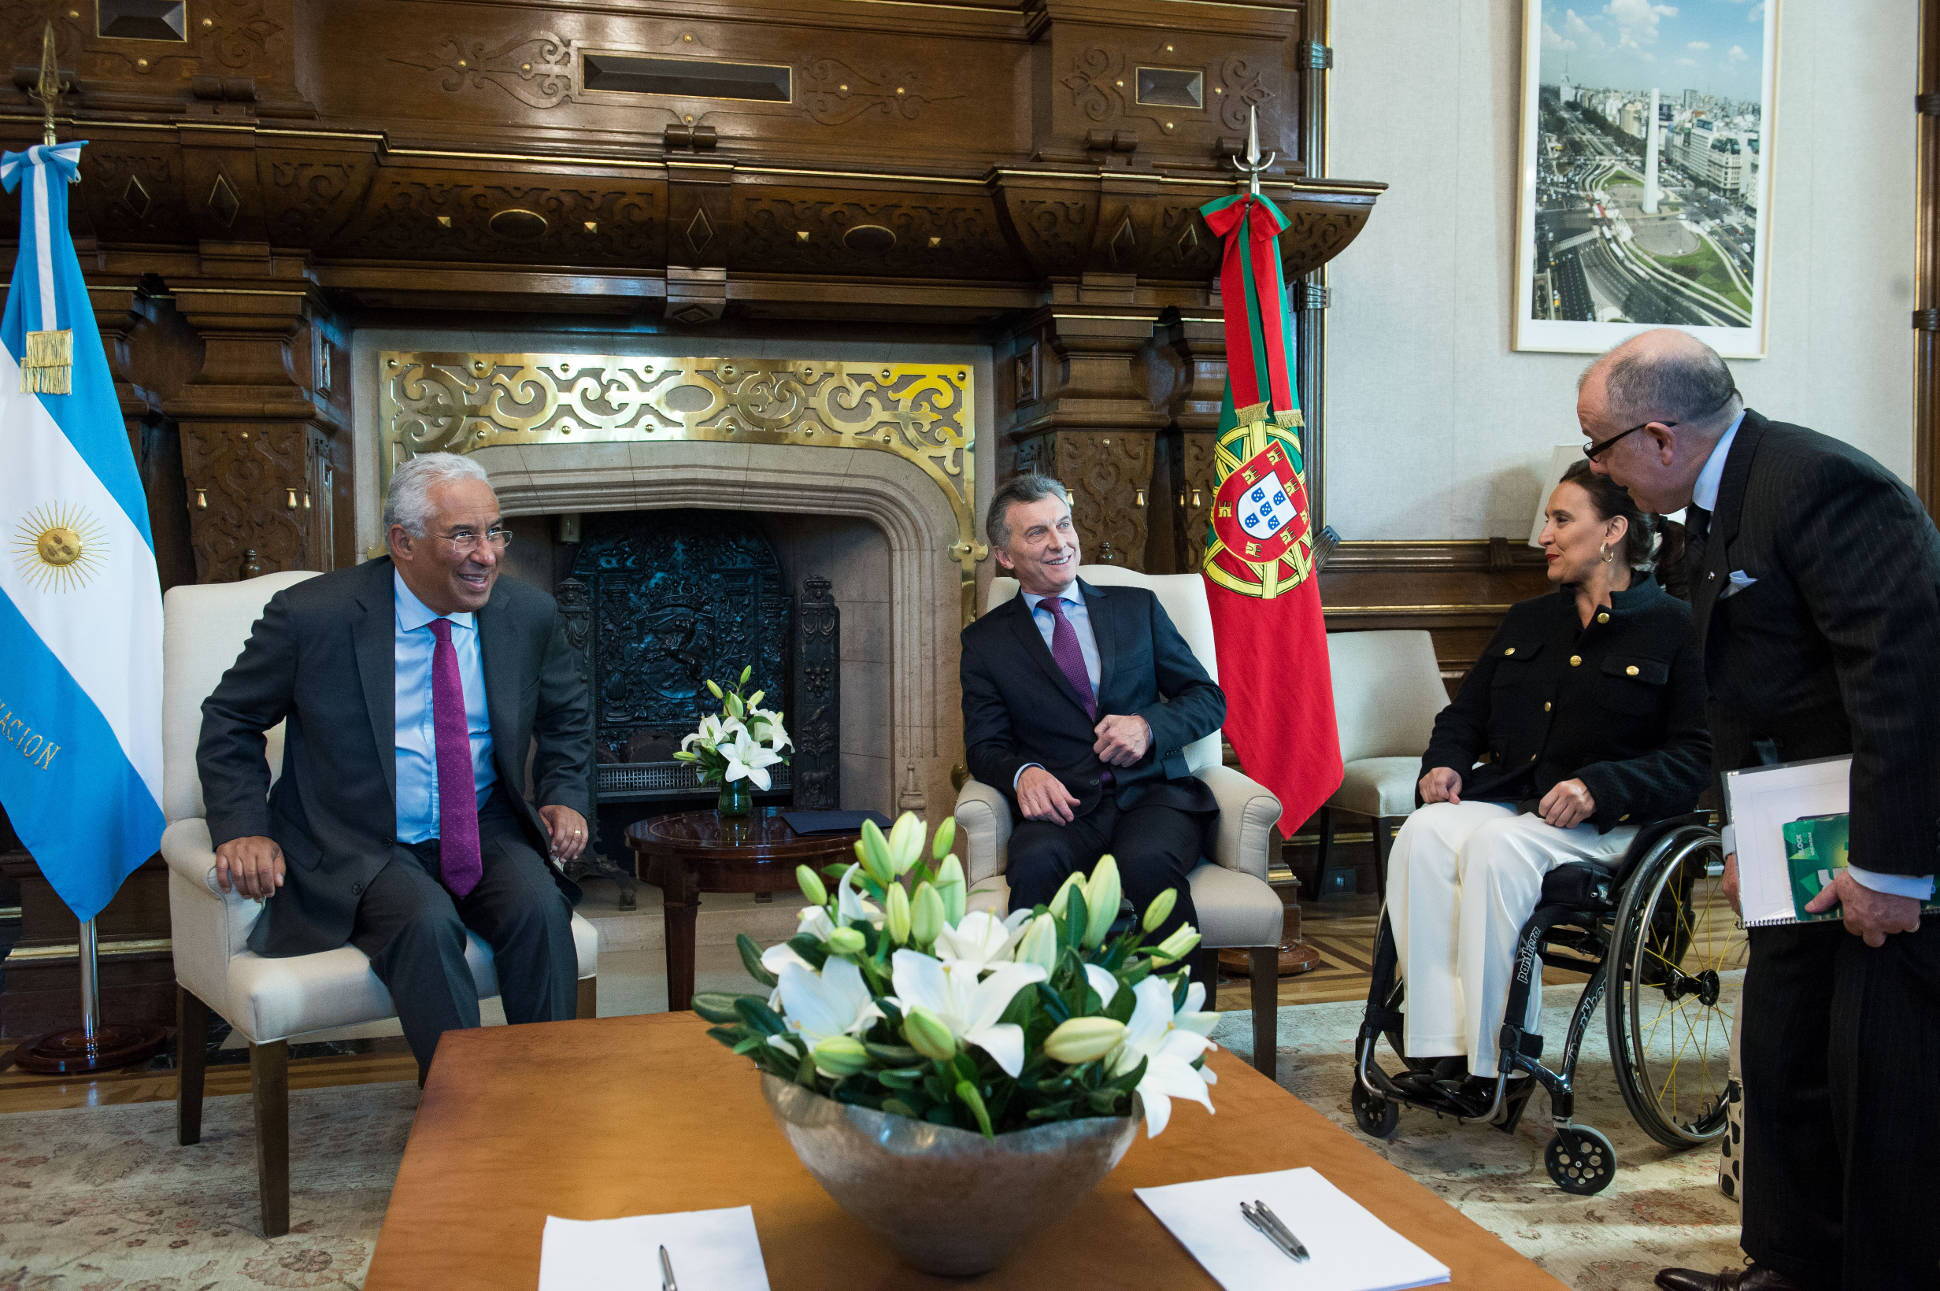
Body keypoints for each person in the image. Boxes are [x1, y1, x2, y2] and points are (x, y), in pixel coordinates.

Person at [1580, 329, 1940, 1291]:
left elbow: (1902, 682)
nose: (1596, 470)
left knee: (1877, 1080)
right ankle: (1787, 1268)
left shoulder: (1821, 486)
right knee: (1781, 1053)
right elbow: (1734, 694)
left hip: (1880, 837)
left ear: (1659, 436)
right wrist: (1739, 836)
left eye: (1598, 447)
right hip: (1796, 835)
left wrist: (1894, 869)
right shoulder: (1703, 507)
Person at [198, 452, 594, 1080]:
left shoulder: (527, 615)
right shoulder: (312, 616)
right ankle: (462, 1110)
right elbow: (230, 720)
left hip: (482, 824)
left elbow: (567, 716)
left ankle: (549, 1093)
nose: (487, 554)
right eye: (463, 534)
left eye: (495, 531)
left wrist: (564, 793)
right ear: (402, 542)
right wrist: (243, 827)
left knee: (541, 910)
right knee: (426, 924)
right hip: (356, 836)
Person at [1386, 461, 1711, 1115]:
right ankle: (1439, 1049)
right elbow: (1463, 716)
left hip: (1615, 829)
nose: (1545, 535)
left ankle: (1500, 1060)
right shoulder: (1529, 620)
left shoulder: (1678, 628)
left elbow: (1697, 757)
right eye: (1549, 520)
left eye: (1562, 519)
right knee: (1423, 831)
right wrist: (1444, 763)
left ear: (1614, 530)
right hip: (1518, 804)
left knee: (1500, 846)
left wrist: (1600, 785)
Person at [960, 474, 1224, 983]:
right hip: (1063, 810)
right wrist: (1024, 773)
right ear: (1006, 556)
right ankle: (1034, 1026)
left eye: (1063, 524)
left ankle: (1178, 1035)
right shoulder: (986, 643)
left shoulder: (1137, 608)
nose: (1060, 542)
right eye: (1037, 533)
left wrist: (1148, 725)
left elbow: (1207, 700)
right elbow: (985, 745)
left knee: (1147, 862)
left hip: (1154, 797)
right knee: (1033, 868)